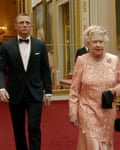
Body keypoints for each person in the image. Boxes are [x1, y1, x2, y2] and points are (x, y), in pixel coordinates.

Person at [0, 13, 52, 150]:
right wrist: (1, 88)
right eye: (21, 22)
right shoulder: (6, 46)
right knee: (18, 128)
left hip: (35, 92)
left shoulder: (40, 45)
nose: (24, 25)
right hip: (15, 93)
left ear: (31, 26)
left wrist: (49, 92)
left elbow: (45, 70)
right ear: (15, 26)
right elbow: (1, 69)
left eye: (27, 23)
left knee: (34, 126)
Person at [69, 25, 120, 150]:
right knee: (93, 145)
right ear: (88, 43)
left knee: (105, 144)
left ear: (105, 42)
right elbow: (74, 89)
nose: (98, 45)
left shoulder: (114, 60)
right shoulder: (81, 60)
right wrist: (73, 112)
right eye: (94, 42)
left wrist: (114, 91)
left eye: (101, 41)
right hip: (87, 109)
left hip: (107, 111)